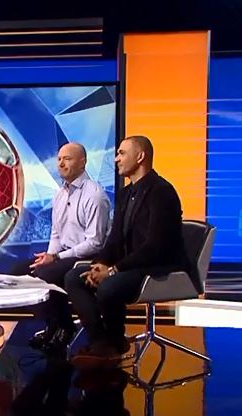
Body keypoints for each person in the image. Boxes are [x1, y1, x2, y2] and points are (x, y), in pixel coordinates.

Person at [65, 135, 189, 370]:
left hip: (158, 266)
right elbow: (114, 240)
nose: (116, 159)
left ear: (140, 157)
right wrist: (101, 263)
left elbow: (155, 246)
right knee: (74, 277)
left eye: (121, 153)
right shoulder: (125, 193)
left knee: (109, 286)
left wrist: (113, 270)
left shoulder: (162, 192)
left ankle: (114, 341)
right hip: (132, 264)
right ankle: (102, 343)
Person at [22, 142, 111, 352]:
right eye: (59, 159)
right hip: (64, 255)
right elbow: (56, 233)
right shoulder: (60, 194)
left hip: (89, 256)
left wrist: (57, 259)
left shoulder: (94, 195)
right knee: (20, 274)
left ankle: (65, 327)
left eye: (68, 159)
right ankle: (53, 324)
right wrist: (50, 256)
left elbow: (95, 243)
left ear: (82, 163)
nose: (61, 163)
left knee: (46, 275)